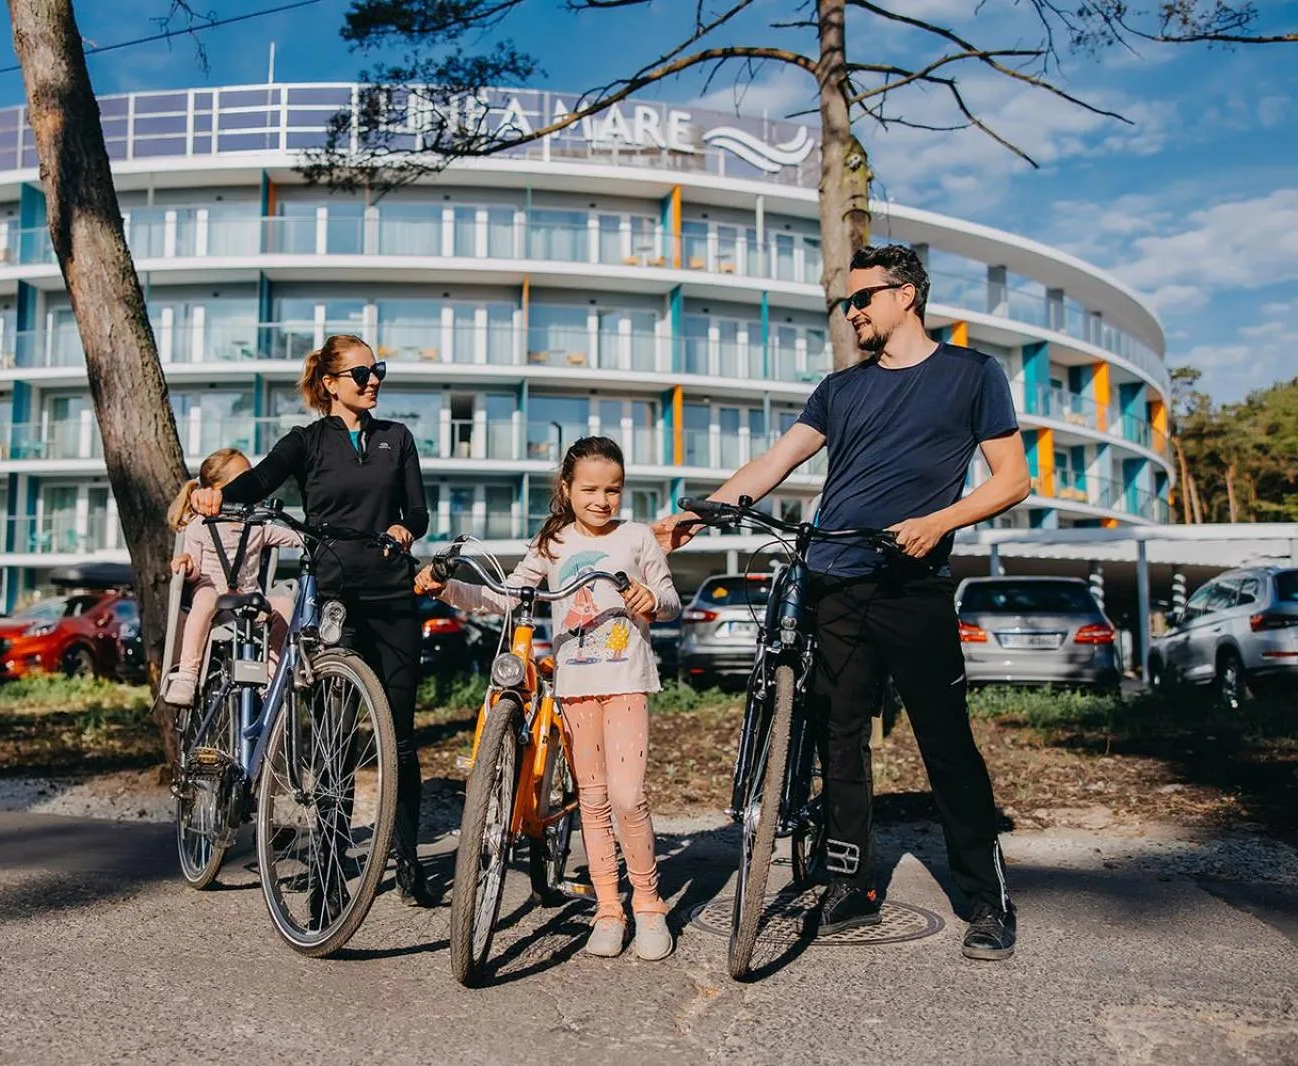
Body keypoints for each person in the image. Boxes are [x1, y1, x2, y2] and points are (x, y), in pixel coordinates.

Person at [655, 243, 1031, 961]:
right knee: (840, 738)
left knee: (945, 743)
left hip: (910, 584)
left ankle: (986, 899)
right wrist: (702, 513)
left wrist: (938, 523)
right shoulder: (840, 389)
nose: (852, 311)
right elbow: (776, 460)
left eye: (862, 298)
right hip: (834, 578)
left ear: (906, 295)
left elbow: (1012, 479)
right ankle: (851, 884)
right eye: (845, 302)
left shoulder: (971, 375)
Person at [189, 335, 438, 907]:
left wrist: (405, 530)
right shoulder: (306, 442)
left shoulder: (396, 439)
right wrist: (216, 494)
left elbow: (418, 512)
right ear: (330, 383)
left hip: (393, 597)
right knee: (335, 736)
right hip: (336, 599)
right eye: (360, 373)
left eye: (378, 370)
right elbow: (259, 481)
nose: (372, 380)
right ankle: (328, 871)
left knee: (399, 736)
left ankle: (406, 861)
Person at [417, 436, 682, 961]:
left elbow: (669, 600)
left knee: (629, 798)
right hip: (576, 688)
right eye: (590, 489)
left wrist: (652, 599)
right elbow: (505, 596)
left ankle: (649, 905)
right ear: (567, 488)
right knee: (594, 800)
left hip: (627, 681)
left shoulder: (636, 537)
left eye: (613, 489)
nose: (602, 500)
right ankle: (609, 909)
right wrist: (446, 589)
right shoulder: (553, 542)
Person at [162, 448, 304, 706]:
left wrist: (315, 540)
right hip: (214, 598)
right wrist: (185, 564)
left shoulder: (258, 526)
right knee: (204, 598)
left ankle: (272, 671)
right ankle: (187, 675)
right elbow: (193, 570)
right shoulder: (199, 525)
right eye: (244, 479)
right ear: (218, 488)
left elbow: (296, 539)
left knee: (284, 604)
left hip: (249, 600)